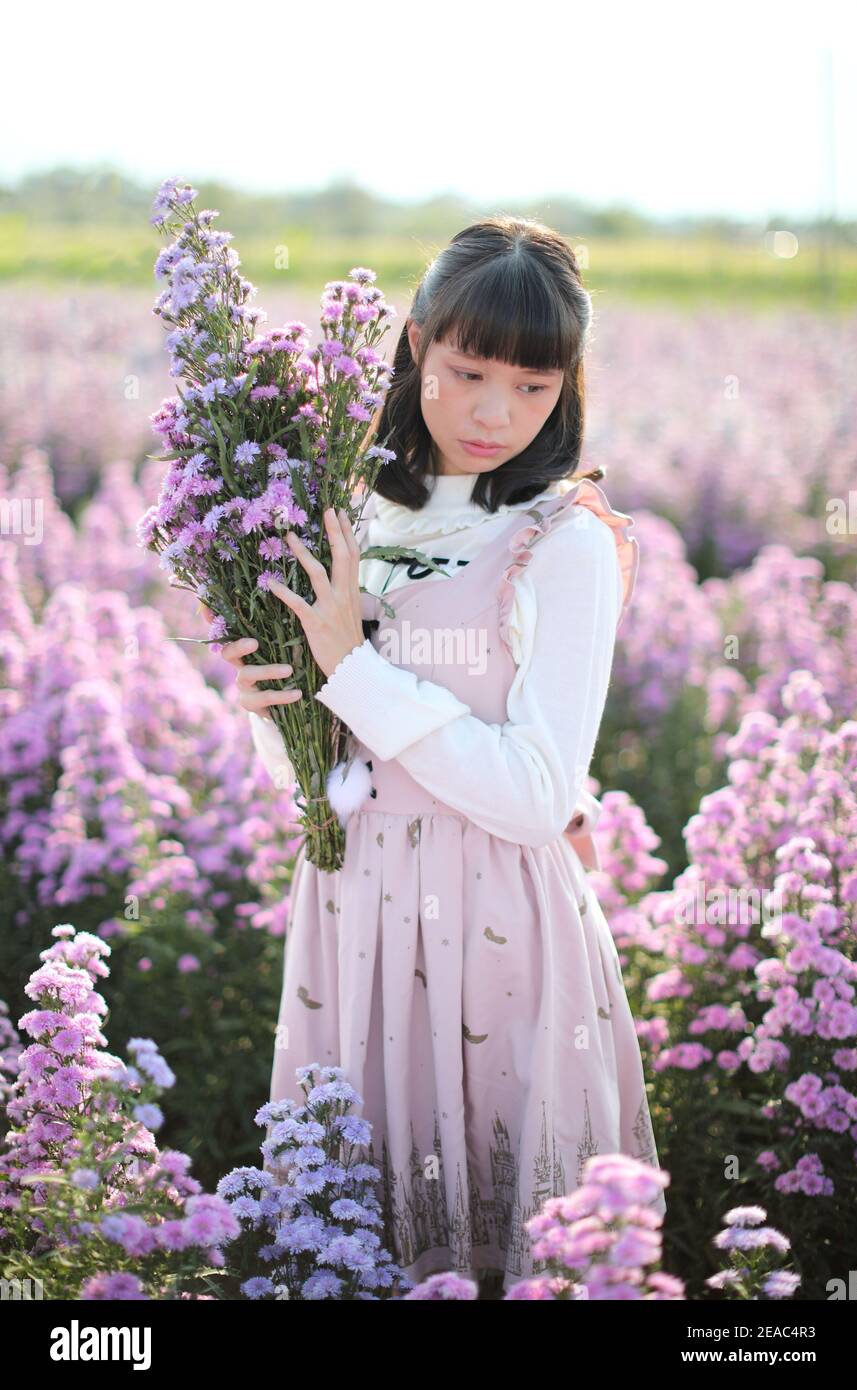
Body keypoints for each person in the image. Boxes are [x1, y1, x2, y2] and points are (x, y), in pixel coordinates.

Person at [220, 216, 664, 1297]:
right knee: (352, 1237)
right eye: (467, 372)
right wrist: (268, 702)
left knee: (504, 1245)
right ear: (415, 346)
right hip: (352, 913)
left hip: (497, 922)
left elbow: (534, 794)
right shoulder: (351, 509)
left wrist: (351, 669)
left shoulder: (560, 540)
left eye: (531, 386)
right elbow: (324, 776)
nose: (492, 413)